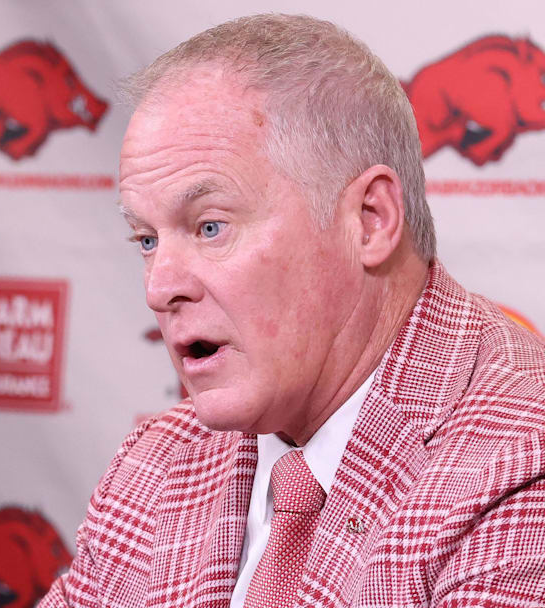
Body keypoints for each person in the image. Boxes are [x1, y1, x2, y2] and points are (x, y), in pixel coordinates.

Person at [41, 14, 545, 608]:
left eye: (210, 227)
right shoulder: (156, 464)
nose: (159, 288)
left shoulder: (520, 460)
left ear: (370, 220)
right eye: (147, 239)